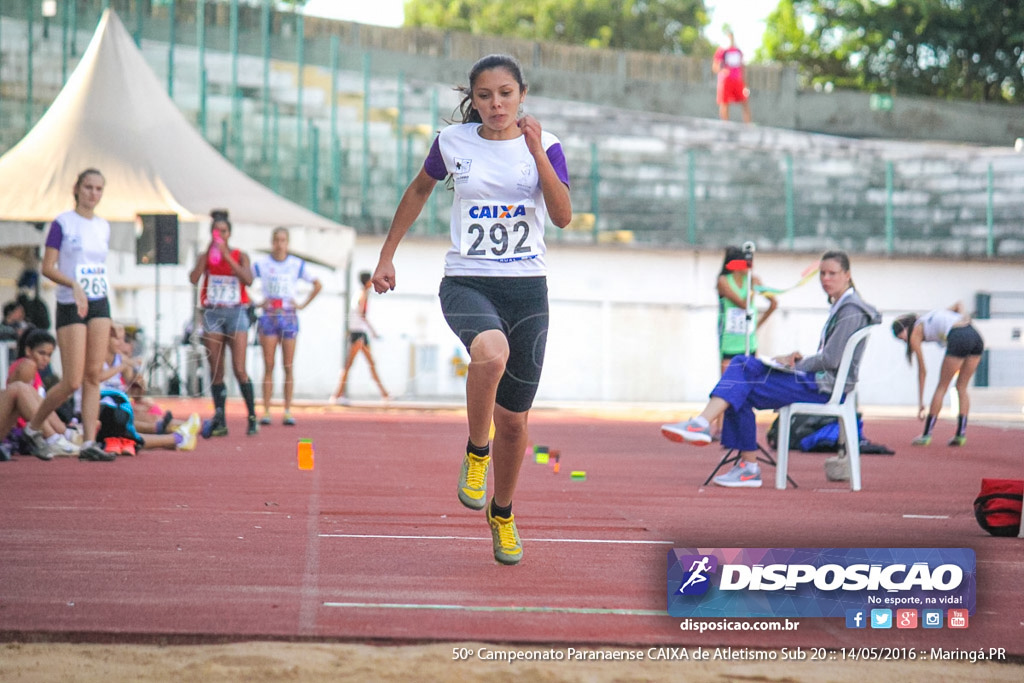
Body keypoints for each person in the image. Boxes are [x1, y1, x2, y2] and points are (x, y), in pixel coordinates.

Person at [370, 54, 572, 564]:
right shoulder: (453, 143)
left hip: (527, 289)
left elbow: (564, 216)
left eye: (505, 93)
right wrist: (387, 254)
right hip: (467, 280)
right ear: (472, 98)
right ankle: (475, 451)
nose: (496, 104)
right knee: (490, 351)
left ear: (522, 93)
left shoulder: (545, 146)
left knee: (516, 422)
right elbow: (419, 189)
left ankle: (502, 513)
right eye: (484, 96)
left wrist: (537, 154)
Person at [661, 251, 879, 488]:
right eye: (822, 274)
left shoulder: (851, 310)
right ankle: (745, 466)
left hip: (822, 387)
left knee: (741, 369)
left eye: (832, 274)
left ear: (847, 275)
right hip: (818, 381)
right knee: (740, 379)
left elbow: (832, 359)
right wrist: (795, 361)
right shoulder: (843, 306)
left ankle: (707, 428)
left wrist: (795, 364)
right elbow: (832, 357)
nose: (826, 279)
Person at [23, 168, 115, 462]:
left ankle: (89, 441)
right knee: (72, 380)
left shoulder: (103, 226)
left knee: (93, 376)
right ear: (77, 188)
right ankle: (34, 427)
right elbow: (48, 267)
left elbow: (97, 265)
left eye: (99, 189)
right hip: (70, 301)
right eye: (88, 187)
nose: (93, 194)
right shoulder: (63, 223)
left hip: (98, 299)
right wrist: (72, 283)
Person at [189, 211, 259, 437]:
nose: (220, 235)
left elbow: (248, 280)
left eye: (224, 231)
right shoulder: (205, 256)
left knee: (239, 368)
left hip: (236, 312)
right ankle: (220, 418)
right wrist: (207, 255)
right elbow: (193, 279)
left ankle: (251, 417)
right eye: (216, 231)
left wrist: (227, 256)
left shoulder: (240, 255)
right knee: (215, 369)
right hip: (212, 312)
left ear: (230, 234)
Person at [252, 227, 322, 426]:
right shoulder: (262, 264)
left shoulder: (296, 264)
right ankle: (266, 410)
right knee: (268, 364)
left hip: (289, 316)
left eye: (283, 240)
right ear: (272, 242)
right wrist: (257, 301)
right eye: (276, 240)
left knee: (288, 365)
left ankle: (288, 409)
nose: (279, 244)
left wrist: (302, 304)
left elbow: (317, 284)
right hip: (269, 316)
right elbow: (245, 281)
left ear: (287, 243)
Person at [891, 303, 985, 447]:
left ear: (906, 329)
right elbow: (959, 304)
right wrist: (965, 318)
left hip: (958, 336)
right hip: (974, 335)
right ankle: (961, 434)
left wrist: (921, 402)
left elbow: (922, 371)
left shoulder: (915, 332)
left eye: (902, 338)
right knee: (962, 387)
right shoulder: (930, 317)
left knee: (942, 387)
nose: (904, 341)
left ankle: (927, 434)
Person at [714, 246, 777, 438]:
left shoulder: (754, 281)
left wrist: (756, 326)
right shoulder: (724, 281)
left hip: (748, 342)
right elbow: (743, 304)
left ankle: (745, 428)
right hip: (729, 342)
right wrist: (751, 288)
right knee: (726, 383)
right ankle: (721, 427)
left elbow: (773, 303)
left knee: (748, 384)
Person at [5, 327, 79, 458]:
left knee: (41, 399)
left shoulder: (34, 371)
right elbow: (20, 407)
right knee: (24, 391)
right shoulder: (27, 365)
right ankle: (55, 437)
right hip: (18, 428)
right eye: (42, 353)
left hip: (28, 425)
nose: (46, 359)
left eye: (49, 355)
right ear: (28, 351)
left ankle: (65, 434)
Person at [329, 271, 389, 404]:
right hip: (359, 334)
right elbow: (362, 314)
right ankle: (336, 394)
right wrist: (373, 331)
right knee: (351, 365)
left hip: (359, 333)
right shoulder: (362, 295)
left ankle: (384, 393)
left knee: (369, 363)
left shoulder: (360, 294)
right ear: (368, 281)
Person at [712, 27, 752, 124]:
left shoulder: (738, 51)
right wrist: (723, 71)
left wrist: (745, 82)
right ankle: (725, 125)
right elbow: (715, 67)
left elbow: (742, 67)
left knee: (745, 102)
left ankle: (748, 125)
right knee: (724, 103)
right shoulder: (722, 50)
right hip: (726, 81)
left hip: (737, 80)